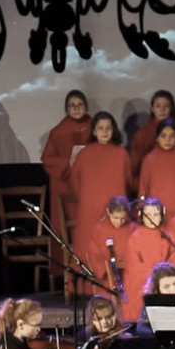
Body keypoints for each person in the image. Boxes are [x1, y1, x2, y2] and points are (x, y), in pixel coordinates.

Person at [70, 112, 132, 255]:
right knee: (88, 248)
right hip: (89, 211)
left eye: (108, 128)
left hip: (116, 212)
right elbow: (75, 182)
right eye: (100, 128)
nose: (104, 132)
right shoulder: (84, 154)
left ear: (114, 130)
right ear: (94, 131)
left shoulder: (122, 154)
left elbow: (128, 182)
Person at [41, 90, 92, 236]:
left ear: (86, 107)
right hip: (66, 184)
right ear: (66, 109)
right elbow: (47, 159)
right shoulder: (58, 132)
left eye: (80, 104)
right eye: (72, 105)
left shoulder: (96, 128)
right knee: (66, 226)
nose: (76, 108)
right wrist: (68, 162)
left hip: (89, 183)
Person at [121, 198, 175, 322]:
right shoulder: (135, 237)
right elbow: (133, 265)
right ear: (142, 216)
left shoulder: (168, 235)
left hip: (164, 279)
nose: (152, 218)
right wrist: (156, 274)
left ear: (162, 215)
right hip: (142, 280)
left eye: (156, 214)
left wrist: (164, 275)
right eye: (148, 215)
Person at [139, 118, 175, 223]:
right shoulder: (149, 160)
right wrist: (142, 209)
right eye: (163, 136)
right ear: (157, 137)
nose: (167, 140)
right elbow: (143, 189)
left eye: (172, 136)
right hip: (156, 213)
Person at [130, 90, 175, 180]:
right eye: (158, 106)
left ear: (171, 108)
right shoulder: (142, 135)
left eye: (166, 106)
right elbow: (135, 168)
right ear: (152, 109)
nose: (162, 110)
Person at [84, 196, 132, 298]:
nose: (119, 222)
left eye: (123, 218)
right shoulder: (99, 229)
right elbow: (93, 254)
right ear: (108, 212)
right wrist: (109, 268)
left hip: (130, 275)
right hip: (108, 279)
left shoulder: (134, 228)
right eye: (115, 218)